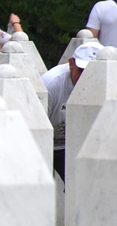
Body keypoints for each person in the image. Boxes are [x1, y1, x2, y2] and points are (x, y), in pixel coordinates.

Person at [41, 43, 99, 180]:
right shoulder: (52, 83)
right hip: (46, 147)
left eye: (91, 73)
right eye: (81, 70)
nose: (85, 77)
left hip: (73, 147)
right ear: (71, 64)